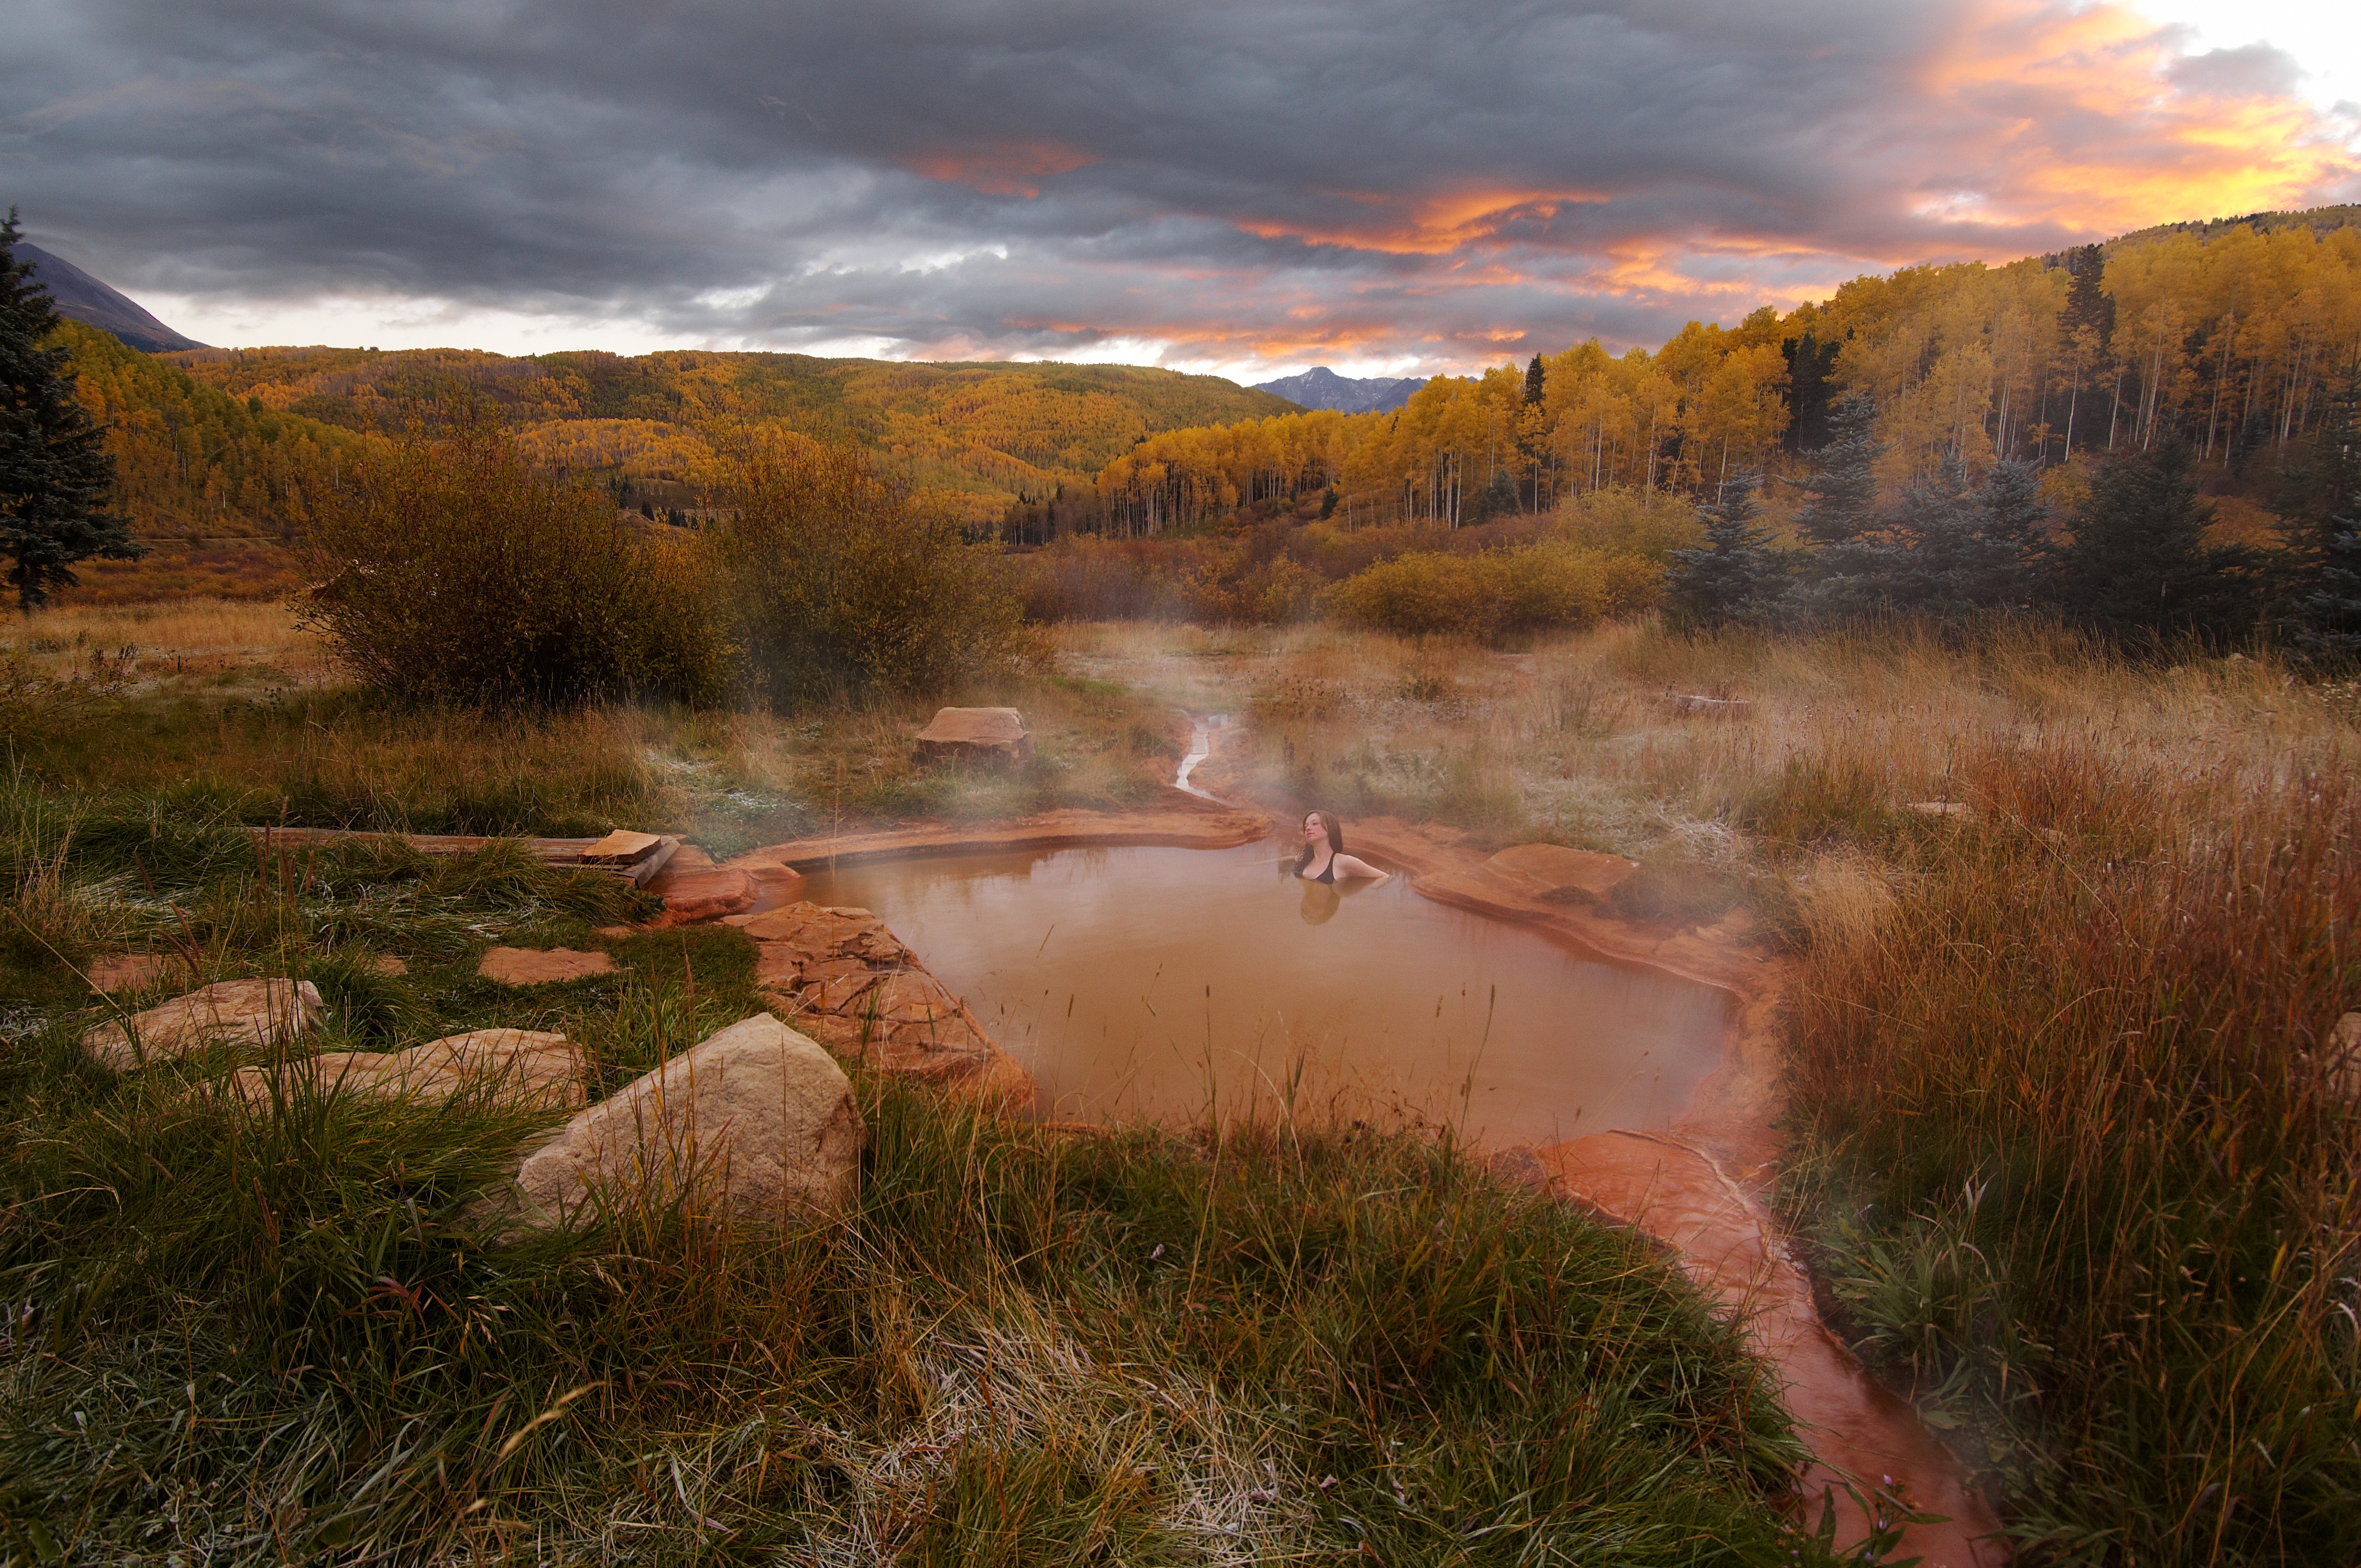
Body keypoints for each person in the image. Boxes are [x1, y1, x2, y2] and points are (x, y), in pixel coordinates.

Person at [1294, 809, 1388, 884]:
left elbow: (1384, 877)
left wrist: (1355, 890)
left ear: (1330, 828)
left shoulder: (1343, 862)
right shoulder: (1304, 858)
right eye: (1306, 826)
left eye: (1315, 824)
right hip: (1307, 907)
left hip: (1327, 907)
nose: (1308, 828)